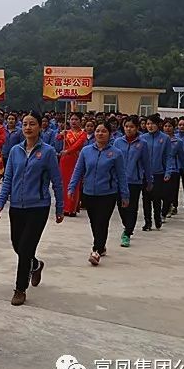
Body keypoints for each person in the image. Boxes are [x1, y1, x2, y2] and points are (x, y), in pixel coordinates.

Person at [0, 110, 63, 306]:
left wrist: (60, 207)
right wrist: (0, 202)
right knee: (17, 244)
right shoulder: (15, 150)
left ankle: (20, 289)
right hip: (16, 206)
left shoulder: (47, 152)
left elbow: (56, 181)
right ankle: (35, 264)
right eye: (25, 124)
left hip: (38, 207)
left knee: (25, 248)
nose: (28, 127)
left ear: (40, 127)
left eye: (32, 124)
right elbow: (8, 179)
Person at [68, 123, 129, 266]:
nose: (100, 134)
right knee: (94, 221)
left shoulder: (116, 153)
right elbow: (78, 170)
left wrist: (125, 195)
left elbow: (121, 175)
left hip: (108, 193)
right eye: (97, 131)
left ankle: (96, 250)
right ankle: (101, 245)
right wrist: (72, 188)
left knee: (102, 221)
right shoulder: (86, 151)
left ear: (110, 134)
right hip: (89, 192)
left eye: (104, 131)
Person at [113, 116, 151, 248]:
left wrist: (149, 180)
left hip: (135, 180)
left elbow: (146, 163)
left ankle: (127, 233)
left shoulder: (142, 143)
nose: (129, 129)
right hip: (119, 180)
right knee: (121, 206)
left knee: (132, 207)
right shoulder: (117, 142)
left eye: (132, 127)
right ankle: (127, 225)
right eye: (126, 126)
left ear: (137, 128)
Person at [141, 114, 172, 231]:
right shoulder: (143, 138)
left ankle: (157, 218)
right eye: (148, 124)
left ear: (158, 125)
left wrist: (168, 171)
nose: (150, 126)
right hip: (145, 173)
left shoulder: (165, 138)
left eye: (152, 124)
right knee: (146, 198)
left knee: (157, 197)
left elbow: (168, 156)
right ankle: (147, 222)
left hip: (158, 173)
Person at [56, 113, 86, 217]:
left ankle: (72, 208)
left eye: (76, 119)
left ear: (80, 121)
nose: (73, 121)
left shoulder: (83, 134)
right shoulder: (66, 132)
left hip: (76, 160)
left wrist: (67, 151)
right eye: (72, 119)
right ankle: (64, 207)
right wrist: (61, 133)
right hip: (64, 161)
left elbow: (77, 145)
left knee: (74, 183)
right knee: (63, 184)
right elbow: (57, 138)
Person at [161, 119, 184, 220]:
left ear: (174, 128)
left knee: (171, 191)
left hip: (173, 169)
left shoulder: (178, 142)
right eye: (165, 126)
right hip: (160, 169)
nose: (167, 128)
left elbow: (182, 157)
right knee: (161, 192)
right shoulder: (159, 139)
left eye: (169, 126)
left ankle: (168, 208)